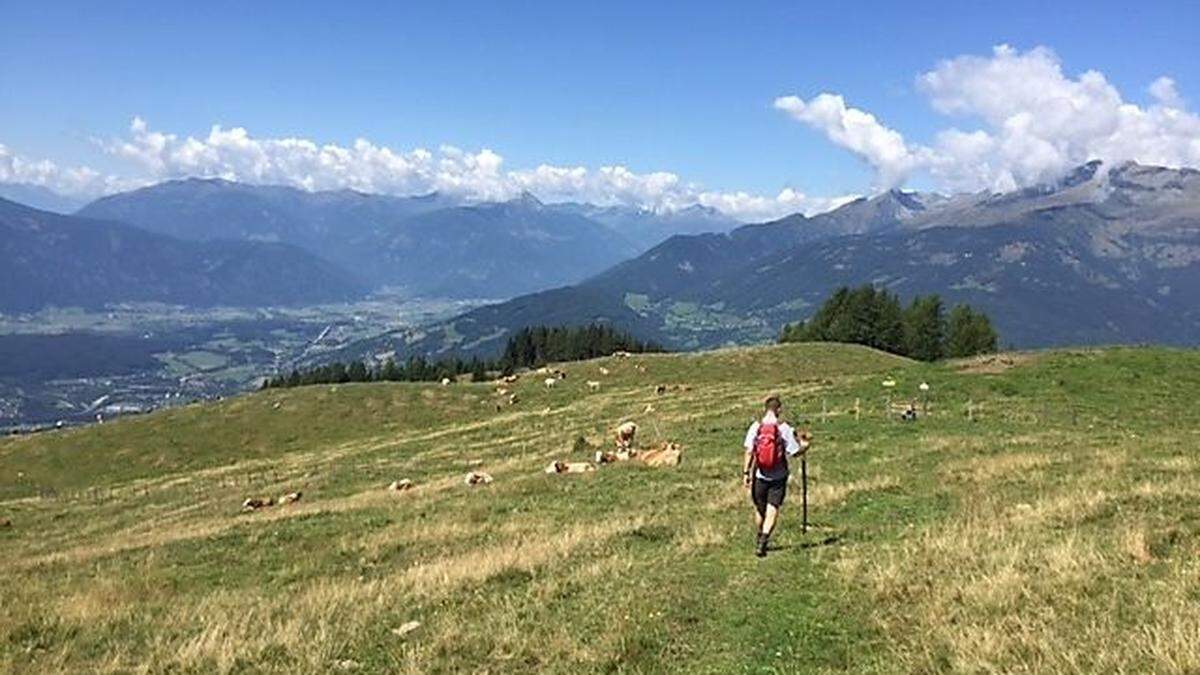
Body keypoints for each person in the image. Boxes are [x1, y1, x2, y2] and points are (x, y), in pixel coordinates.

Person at [742, 395, 809, 557]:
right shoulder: (783, 428)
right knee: (772, 509)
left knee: (760, 508)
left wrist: (746, 473)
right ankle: (764, 540)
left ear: (765, 409)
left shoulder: (756, 427)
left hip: (760, 474)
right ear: (778, 410)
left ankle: (760, 536)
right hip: (778, 477)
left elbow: (749, 451)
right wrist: (805, 447)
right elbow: (794, 452)